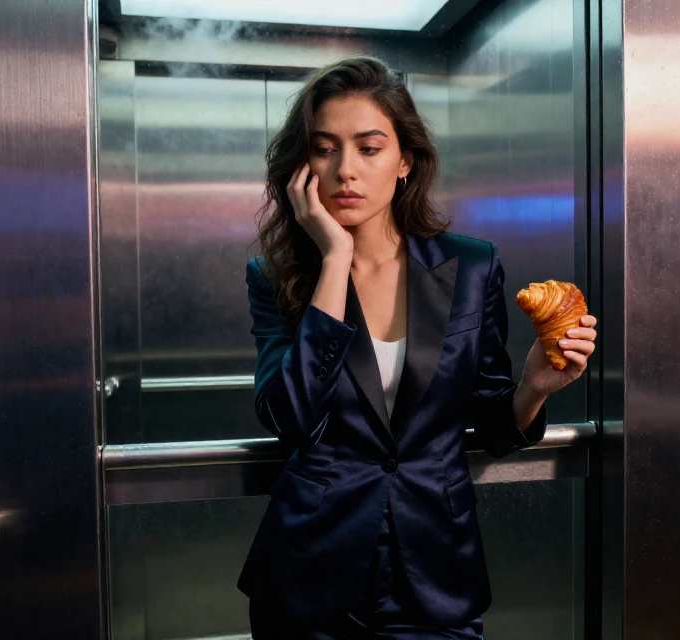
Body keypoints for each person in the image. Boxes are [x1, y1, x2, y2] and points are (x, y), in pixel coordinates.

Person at [238, 55, 598, 639]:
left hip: (435, 572)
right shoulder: (274, 275)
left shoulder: (473, 266)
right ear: (304, 165)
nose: (345, 171)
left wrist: (533, 386)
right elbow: (290, 418)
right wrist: (333, 261)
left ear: (405, 160)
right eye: (325, 148)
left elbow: (493, 426)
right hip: (308, 579)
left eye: (369, 147)